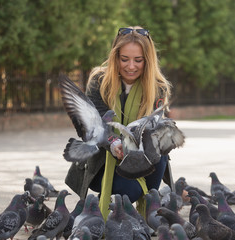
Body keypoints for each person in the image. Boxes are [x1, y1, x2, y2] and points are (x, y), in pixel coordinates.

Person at [65, 26, 174, 220]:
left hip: (143, 158)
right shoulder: (100, 80)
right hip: (103, 162)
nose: (131, 66)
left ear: (147, 60)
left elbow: (154, 128)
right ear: (115, 57)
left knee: (160, 149)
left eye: (138, 60)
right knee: (127, 193)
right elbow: (94, 126)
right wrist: (114, 143)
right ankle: (119, 207)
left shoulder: (158, 87)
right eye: (124, 59)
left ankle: (125, 209)